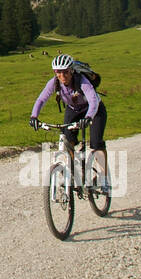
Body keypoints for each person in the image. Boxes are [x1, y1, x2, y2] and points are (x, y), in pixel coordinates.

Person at [29, 53, 109, 192]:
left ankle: (104, 179)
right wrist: (34, 116)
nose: (62, 75)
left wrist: (89, 117)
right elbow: (41, 99)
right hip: (74, 110)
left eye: (65, 71)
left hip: (94, 111)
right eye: (58, 72)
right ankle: (73, 174)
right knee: (68, 141)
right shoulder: (54, 83)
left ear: (71, 70)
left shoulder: (82, 81)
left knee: (96, 143)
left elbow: (93, 101)